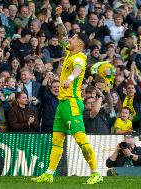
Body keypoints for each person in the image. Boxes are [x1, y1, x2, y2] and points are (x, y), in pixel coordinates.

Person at [32, 6, 103, 185]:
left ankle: (96, 172)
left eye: (73, 37)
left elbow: (78, 69)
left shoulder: (79, 57)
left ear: (79, 43)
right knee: (57, 141)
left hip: (72, 103)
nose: (69, 38)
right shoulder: (71, 52)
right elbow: (63, 34)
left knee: (80, 138)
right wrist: (58, 18)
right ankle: (49, 173)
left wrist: (70, 78)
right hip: (62, 104)